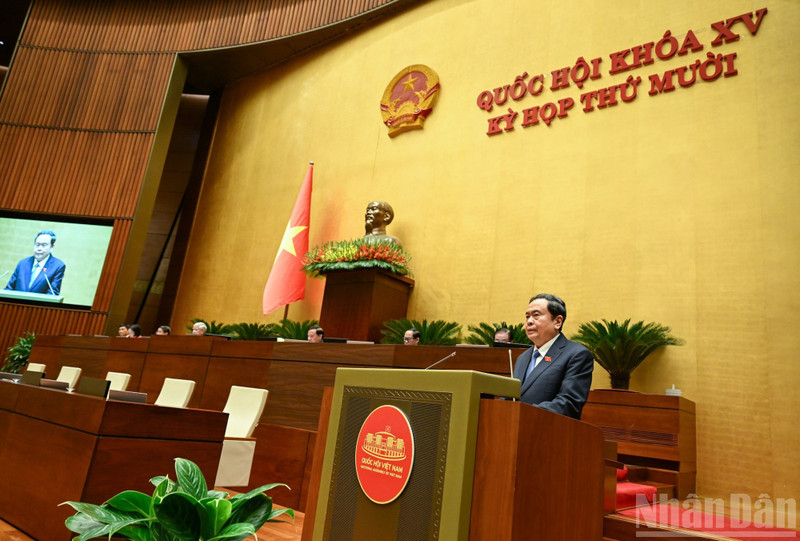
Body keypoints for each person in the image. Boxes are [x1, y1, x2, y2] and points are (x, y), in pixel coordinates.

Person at [512, 294, 594, 420]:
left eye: (536, 315)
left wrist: (524, 413)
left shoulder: (577, 355)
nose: (529, 321)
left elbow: (568, 403)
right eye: (527, 316)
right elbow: (511, 396)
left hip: (550, 431)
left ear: (557, 321)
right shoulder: (522, 358)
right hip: (514, 430)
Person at [4, 230, 66, 295]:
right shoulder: (22, 263)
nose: (39, 248)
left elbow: (52, 294)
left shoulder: (57, 266)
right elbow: (9, 289)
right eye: (37, 244)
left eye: (44, 245)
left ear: (52, 247)